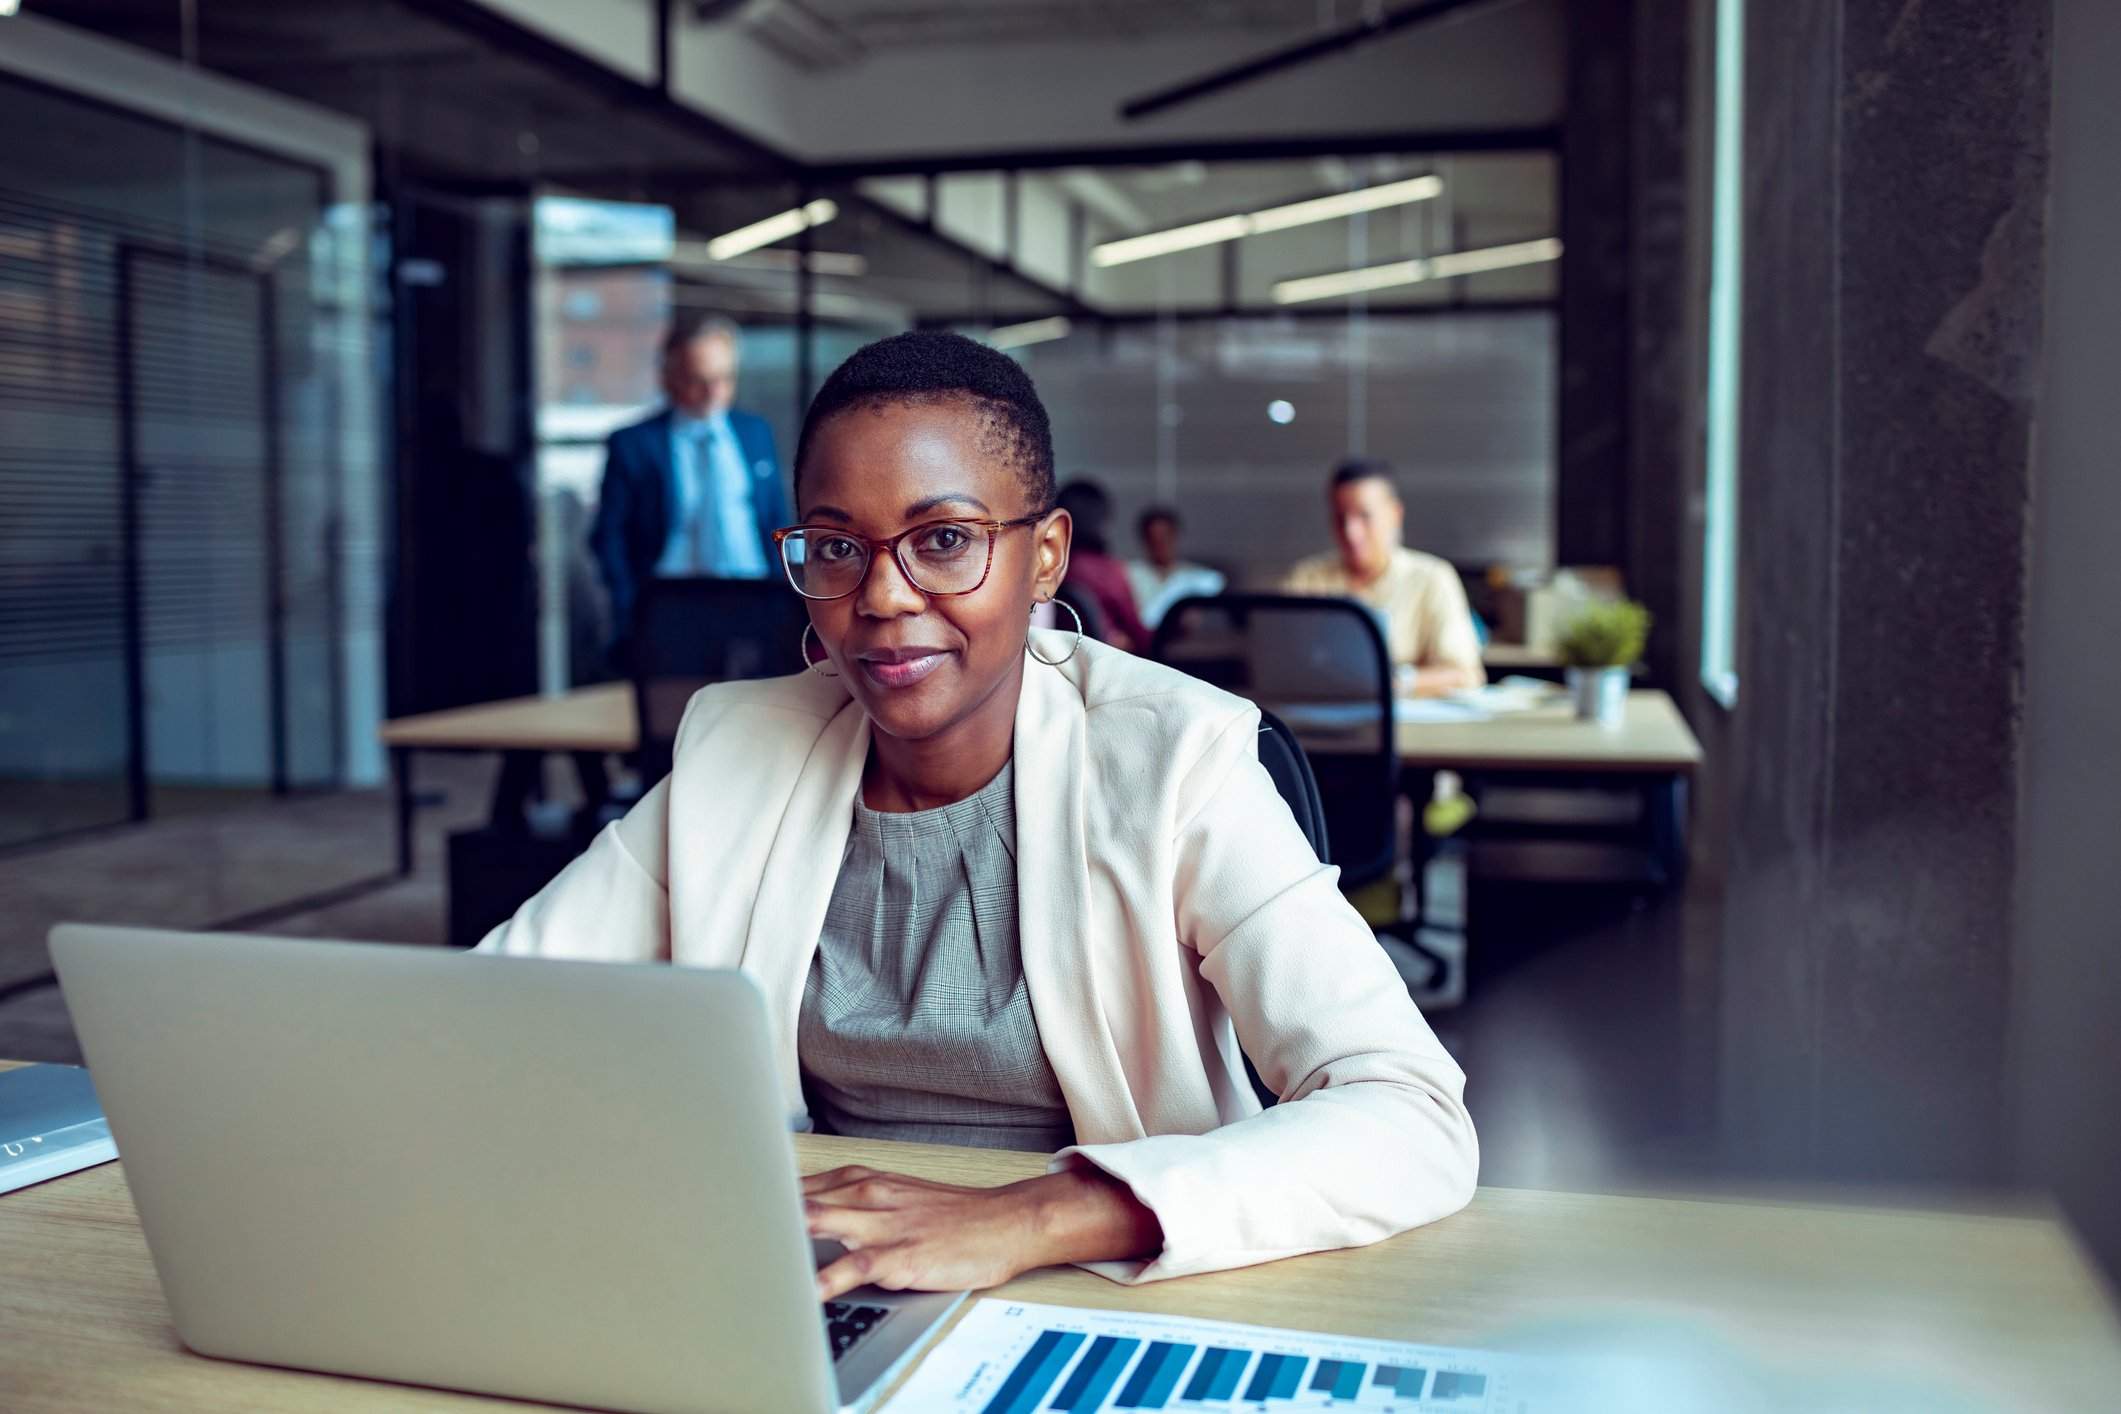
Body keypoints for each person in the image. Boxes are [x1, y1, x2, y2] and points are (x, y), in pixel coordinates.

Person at [480, 331, 1475, 1296]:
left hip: (1105, 1287)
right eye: (836, 546)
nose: (880, 595)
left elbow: (1412, 1111)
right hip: (824, 1284)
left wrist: (1026, 1217)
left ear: (1045, 557)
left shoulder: (1176, 758)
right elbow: (485, 1015)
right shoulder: (739, 750)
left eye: (944, 540)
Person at [589, 316, 791, 660]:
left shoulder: (754, 432)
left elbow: (776, 519)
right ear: (668, 379)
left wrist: (788, 596)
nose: (714, 392)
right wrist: (629, 605)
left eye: (724, 379)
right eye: (699, 380)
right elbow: (609, 533)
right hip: (672, 603)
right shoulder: (634, 443)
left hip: (755, 598)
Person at [1283, 459, 1486, 696]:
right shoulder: (1305, 578)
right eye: (1340, 517)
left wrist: (1394, 682)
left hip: (1406, 725)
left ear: (1395, 514)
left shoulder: (1433, 578)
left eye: (1365, 516)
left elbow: (1465, 673)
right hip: (1318, 722)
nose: (1350, 532)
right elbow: (1282, 664)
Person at [1052, 479, 1151, 652]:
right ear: (1101, 522)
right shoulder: (1108, 571)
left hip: (1060, 655)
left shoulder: (1050, 568)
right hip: (1106, 659)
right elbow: (1141, 635)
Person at [1125, 505, 1226, 631]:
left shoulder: (1197, 578)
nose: (1160, 545)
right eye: (1154, 539)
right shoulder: (1130, 574)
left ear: (1175, 537)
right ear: (1145, 541)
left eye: (1165, 538)